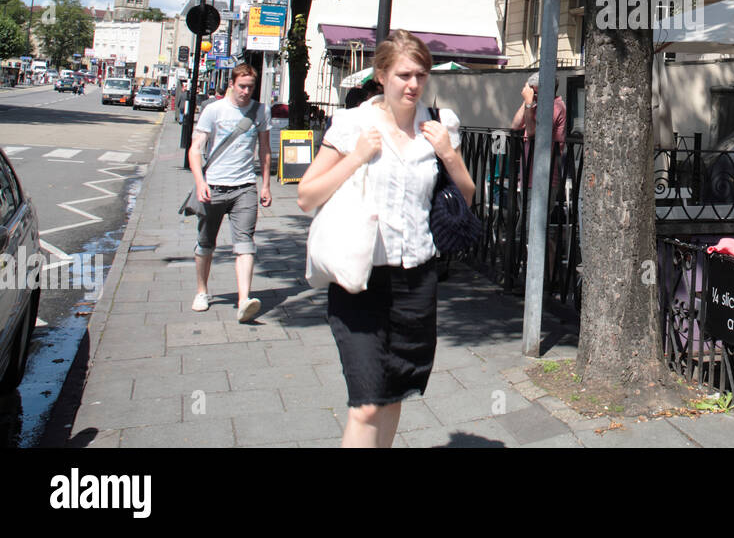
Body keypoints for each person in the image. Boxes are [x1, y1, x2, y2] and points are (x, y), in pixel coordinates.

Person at [297, 30, 475, 448]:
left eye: (421, 75)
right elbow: (307, 195)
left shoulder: (437, 126)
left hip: (416, 281)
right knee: (366, 403)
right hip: (360, 279)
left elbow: (465, 198)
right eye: (404, 75)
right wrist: (356, 157)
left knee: (395, 392)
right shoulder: (352, 124)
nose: (413, 84)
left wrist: (448, 153)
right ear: (381, 75)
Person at [188, 62, 272, 323]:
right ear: (232, 85)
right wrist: (200, 182)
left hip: (245, 187)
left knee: (245, 243)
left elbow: (265, 150)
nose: (246, 92)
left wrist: (266, 184)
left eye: (250, 87)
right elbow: (195, 149)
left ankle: (244, 300)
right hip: (213, 187)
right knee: (205, 243)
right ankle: (202, 291)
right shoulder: (214, 111)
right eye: (242, 86)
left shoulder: (260, 111)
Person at [511, 72, 567, 188]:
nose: (533, 95)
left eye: (535, 92)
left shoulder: (555, 107)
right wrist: (526, 102)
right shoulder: (537, 106)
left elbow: (532, 132)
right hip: (529, 175)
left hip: (544, 179)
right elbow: (515, 126)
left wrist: (528, 103)